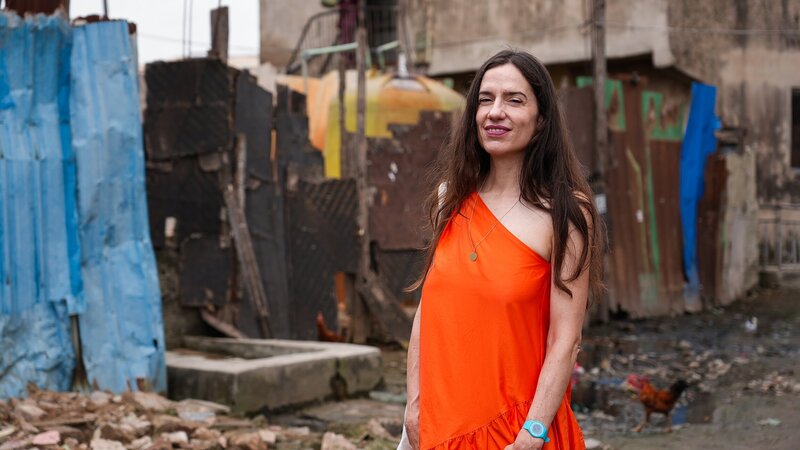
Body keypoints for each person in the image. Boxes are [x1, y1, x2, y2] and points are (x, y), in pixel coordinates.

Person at [400, 49, 604, 450]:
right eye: (485, 99)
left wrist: (533, 433)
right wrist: (414, 403)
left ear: (541, 118)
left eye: (514, 99)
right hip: (439, 425)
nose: (495, 112)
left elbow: (566, 338)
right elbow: (429, 310)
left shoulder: (565, 212)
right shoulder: (450, 198)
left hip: (517, 431)